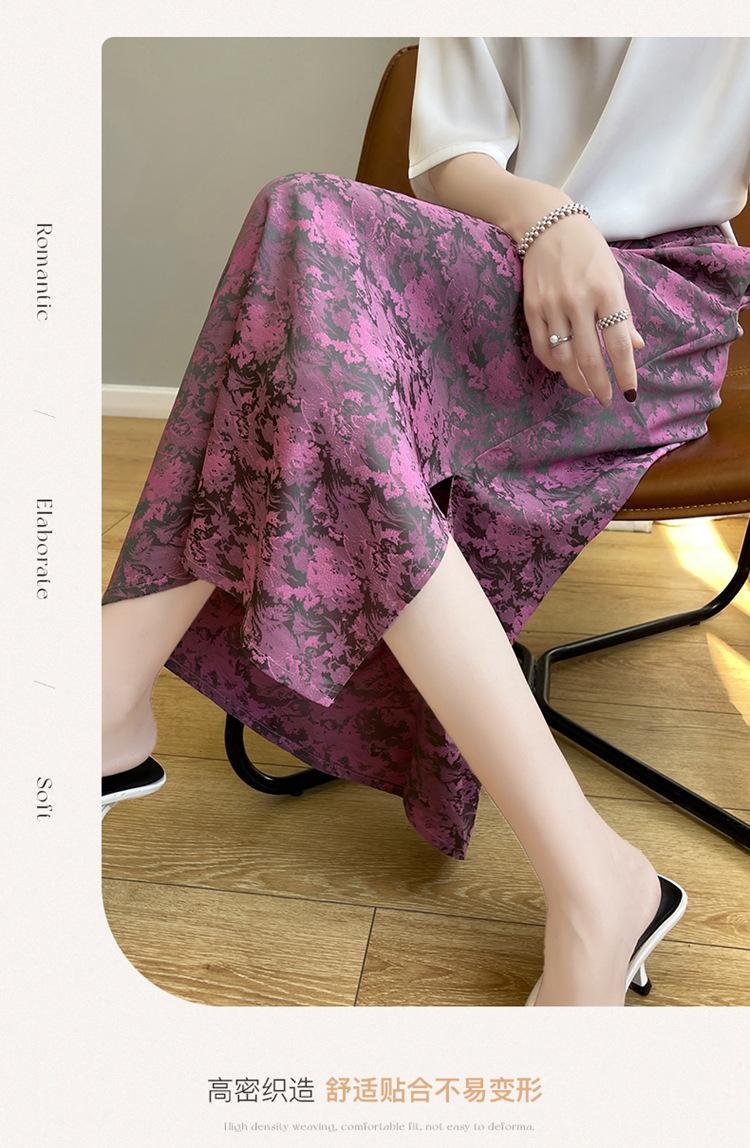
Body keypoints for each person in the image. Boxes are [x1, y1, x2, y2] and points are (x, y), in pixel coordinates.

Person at [101, 36, 750, 1006]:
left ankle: (105, 697)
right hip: (497, 263)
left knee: (303, 248)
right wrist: (549, 217)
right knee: (302, 231)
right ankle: (595, 880)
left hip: (654, 312)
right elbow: (452, 152)